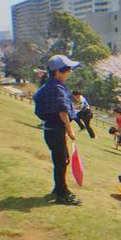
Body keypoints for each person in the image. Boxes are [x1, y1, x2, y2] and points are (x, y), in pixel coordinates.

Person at [33, 55, 81, 205]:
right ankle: (62, 194)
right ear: (58, 72)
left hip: (50, 129)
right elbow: (62, 111)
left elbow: (37, 97)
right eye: (67, 70)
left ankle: (59, 188)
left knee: (62, 160)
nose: (69, 73)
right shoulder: (57, 88)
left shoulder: (50, 85)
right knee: (61, 161)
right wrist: (70, 130)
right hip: (56, 130)